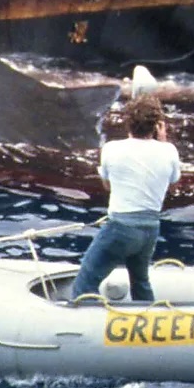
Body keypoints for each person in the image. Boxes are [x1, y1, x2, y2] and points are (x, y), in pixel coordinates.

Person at [70, 95, 181, 302]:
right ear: (157, 126)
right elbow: (172, 184)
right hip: (150, 229)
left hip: (121, 227)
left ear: (127, 121)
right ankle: (148, 322)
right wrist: (163, 143)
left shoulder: (112, 148)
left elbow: (107, 185)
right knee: (140, 281)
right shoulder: (169, 151)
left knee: (85, 282)